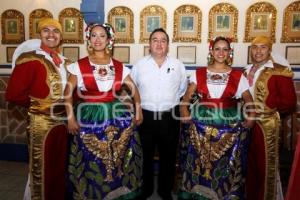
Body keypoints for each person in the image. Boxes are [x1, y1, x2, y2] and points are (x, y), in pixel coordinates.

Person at [64, 23, 143, 199]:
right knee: (90, 158)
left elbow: (134, 91)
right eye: (93, 35)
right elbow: (67, 94)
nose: (97, 39)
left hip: (115, 117)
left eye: (102, 36)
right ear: (88, 39)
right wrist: (70, 119)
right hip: (88, 116)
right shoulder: (79, 66)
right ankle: (90, 193)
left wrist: (138, 110)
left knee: (116, 157)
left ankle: (114, 192)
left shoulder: (118, 66)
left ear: (109, 40)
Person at [179, 36, 255, 199]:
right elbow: (187, 97)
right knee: (201, 158)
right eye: (217, 49)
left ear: (230, 53)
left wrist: (251, 116)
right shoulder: (198, 73)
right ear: (211, 51)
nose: (221, 52)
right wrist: (184, 110)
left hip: (229, 123)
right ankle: (199, 194)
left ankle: (225, 194)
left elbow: (248, 99)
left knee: (227, 161)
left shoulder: (238, 76)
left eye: (225, 49)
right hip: (202, 121)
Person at [5, 18, 69, 200]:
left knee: (58, 167)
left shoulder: (65, 61)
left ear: (61, 36)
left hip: (62, 123)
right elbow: (13, 94)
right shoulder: (29, 59)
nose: (51, 34)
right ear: (40, 34)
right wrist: (38, 106)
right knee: (40, 168)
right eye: (46, 30)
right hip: (40, 124)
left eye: (55, 31)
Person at [131, 28, 187, 200]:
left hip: (169, 117)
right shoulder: (139, 65)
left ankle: (164, 191)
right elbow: (133, 90)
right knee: (145, 155)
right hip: (145, 117)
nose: (159, 43)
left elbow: (182, 90)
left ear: (168, 44)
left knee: (168, 157)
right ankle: (146, 190)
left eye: (163, 40)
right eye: (155, 40)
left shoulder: (178, 65)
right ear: (149, 44)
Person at [244, 36, 297, 200]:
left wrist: (269, 111)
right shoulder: (247, 70)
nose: (258, 51)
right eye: (255, 47)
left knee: (266, 165)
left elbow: (289, 102)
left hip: (267, 126)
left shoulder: (278, 70)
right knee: (250, 164)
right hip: (248, 122)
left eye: (263, 47)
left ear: (269, 49)